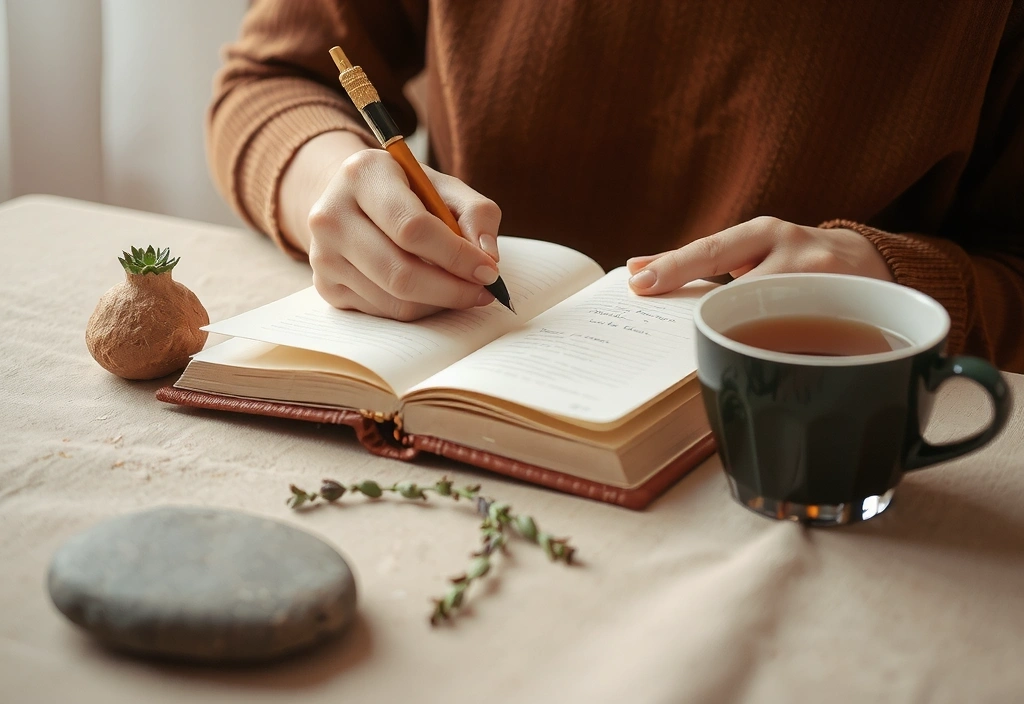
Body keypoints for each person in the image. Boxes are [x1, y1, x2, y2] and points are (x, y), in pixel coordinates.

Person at [207, 0, 1024, 372]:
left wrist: (898, 285)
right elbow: (273, 77)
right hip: (455, 387)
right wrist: (332, 182)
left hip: (816, 432)